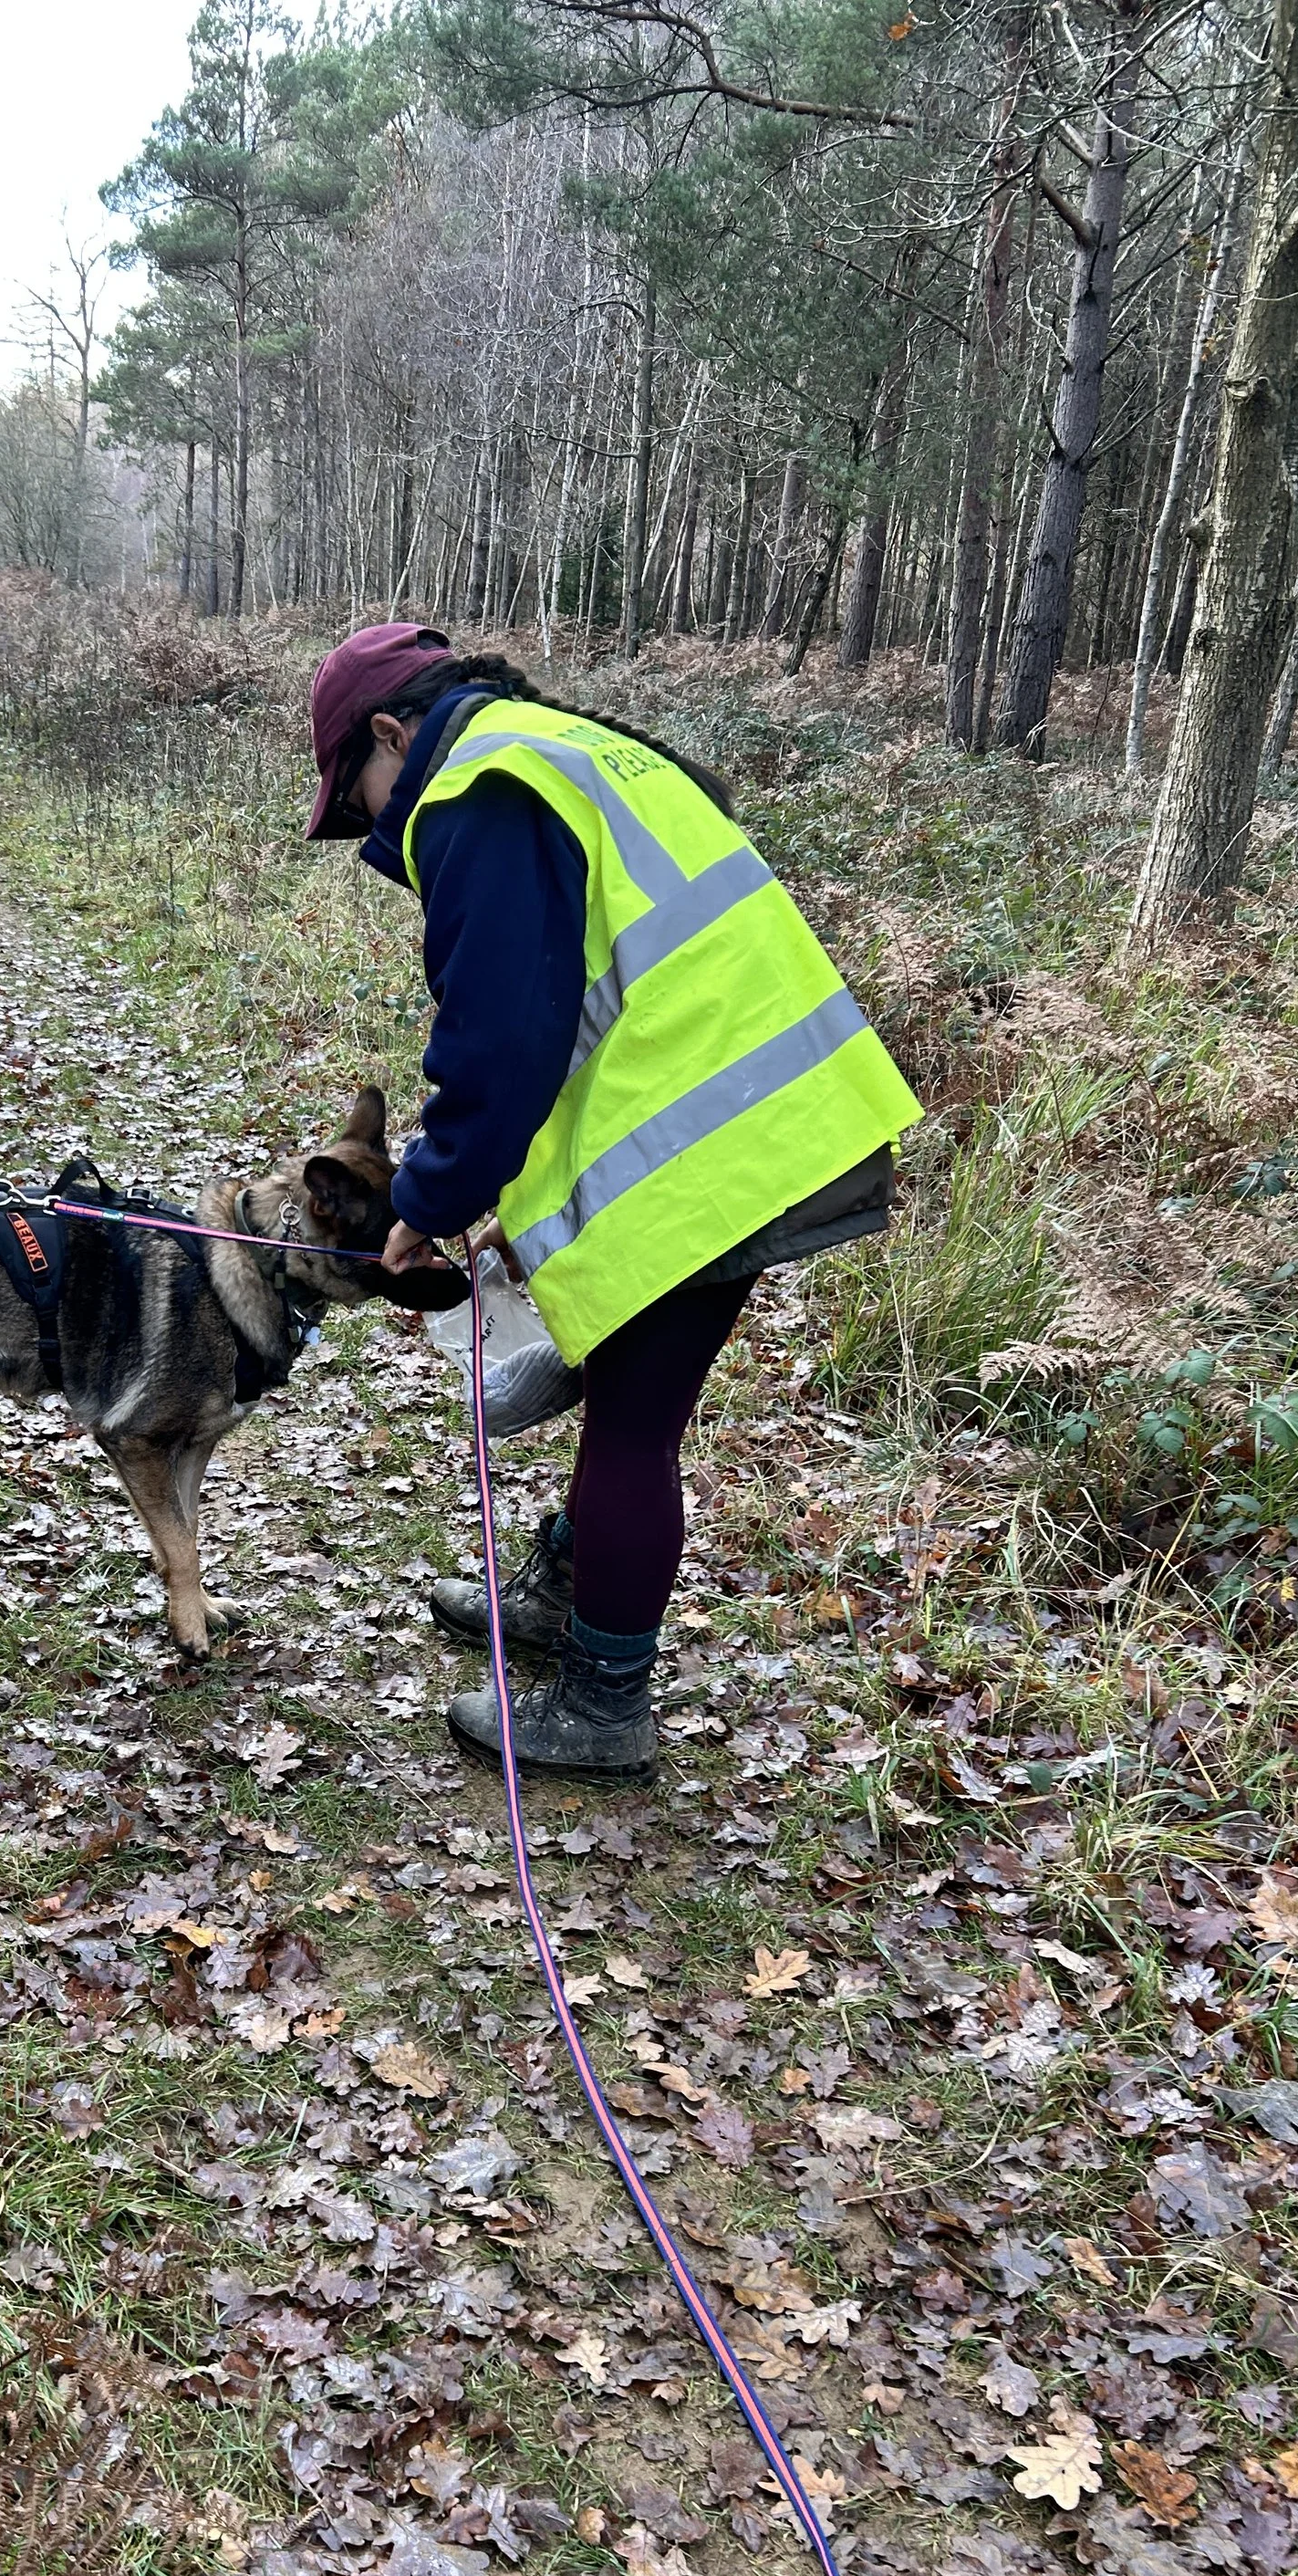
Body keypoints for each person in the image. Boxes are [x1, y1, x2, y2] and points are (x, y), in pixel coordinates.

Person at [304, 622, 919, 1777]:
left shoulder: (481, 787)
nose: (378, 824)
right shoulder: (569, 749)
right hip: (774, 1111)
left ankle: (602, 1703)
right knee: (632, 1395)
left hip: (732, 1136)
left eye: (365, 793)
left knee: (636, 1419)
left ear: (394, 734)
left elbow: (501, 1040)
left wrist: (430, 1196)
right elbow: (600, 1002)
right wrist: (510, 1205)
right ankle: (557, 1598)